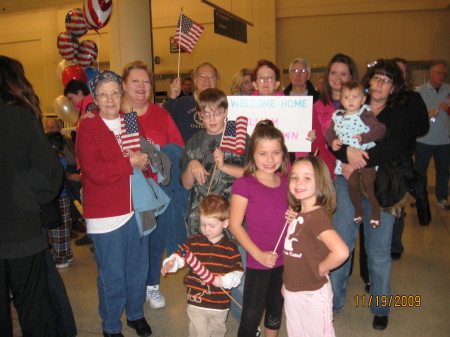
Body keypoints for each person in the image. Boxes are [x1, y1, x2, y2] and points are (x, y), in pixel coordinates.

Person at [329, 59, 428, 330]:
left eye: (387, 80)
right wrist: (345, 153)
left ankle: (381, 307)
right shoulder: (353, 106)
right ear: (369, 81)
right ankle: (333, 302)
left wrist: (356, 158)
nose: (380, 83)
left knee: (379, 251)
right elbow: (335, 140)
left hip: (381, 185)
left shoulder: (400, 112)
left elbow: (396, 147)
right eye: (377, 78)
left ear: (395, 87)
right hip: (346, 179)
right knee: (341, 245)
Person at [76, 70, 152, 337]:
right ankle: (110, 325)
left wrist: (148, 163)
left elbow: (144, 155)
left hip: (136, 208)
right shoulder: (88, 126)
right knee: (113, 275)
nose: (110, 100)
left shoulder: (129, 121)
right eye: (103, 94)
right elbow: (93, 170)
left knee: (137, 269)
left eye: (114, 93)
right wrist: (129, 163)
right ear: (95, 98)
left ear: (122, 95)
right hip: (106, 214)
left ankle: (135, 314)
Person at [0, 55, 62, 337]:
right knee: (33, 306)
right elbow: (50, 176)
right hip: (21, 231)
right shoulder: (22, 118)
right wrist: (29, 197)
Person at [121, 60, 185, 310]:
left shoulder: (161, 114)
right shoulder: (116, 116)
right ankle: (134, 291)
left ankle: (152, 286)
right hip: (129, 192)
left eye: (146, 81)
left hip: (159, 191)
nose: (142, 86)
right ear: (124, 85)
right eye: (135, 81)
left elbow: (177, 148)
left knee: (156, 241)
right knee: (135, 245)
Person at [229, 120, 292, 337]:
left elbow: (292, 219)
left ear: (283, 154)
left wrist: (295, 216)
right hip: (258, 261)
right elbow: (235, 225)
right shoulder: (245, 184)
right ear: (252, 155)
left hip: (283, 260)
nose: (270, 159)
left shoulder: (286, 183)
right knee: (251, 315)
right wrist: (258, 255)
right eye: (263, 153)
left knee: (275, 309)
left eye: (275, 153)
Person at [283, 156, 349, 337]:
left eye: (307, 178)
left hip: (313, 293)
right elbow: (295, 253)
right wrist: (286, 283)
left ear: (320, 183)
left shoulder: (317, 218)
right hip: (292, 288)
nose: (298, 183)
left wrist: (322, 267)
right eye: (294, 177)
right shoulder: (301, 214)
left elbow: (341, 251)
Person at [161, 194, 244, 337]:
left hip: (220, 304)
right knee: (199, 332)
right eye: (202, 224)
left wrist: (222, 281)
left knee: (218, 331)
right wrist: (171, 262)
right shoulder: (194, 241)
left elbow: (238, 273)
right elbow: (181, 256)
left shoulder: (231, 248)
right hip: (197, 301)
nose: (206, 229)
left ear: (225, 223)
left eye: (212, 225)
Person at [180, 88, 248, 237]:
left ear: (225, 112)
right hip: (201, 222)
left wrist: (224, 166)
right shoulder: (193, 142)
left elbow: (252, 175)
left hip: (233, 218)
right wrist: (192, 165)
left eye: (217, 113)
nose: (212, 119)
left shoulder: (240, 138)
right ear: (200, 115)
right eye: (206, 114)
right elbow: (186, 184)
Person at [325, 80, 386, 227]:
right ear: (341, 99)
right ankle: (358, 210)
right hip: (347, 161)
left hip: (365, 157)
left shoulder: (365, 114)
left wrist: (365, 137)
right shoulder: (337, 116)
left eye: (355, 97)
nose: (350, 101)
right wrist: (332, 141)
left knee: (368, 182)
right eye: (346, 97)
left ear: (363, 99)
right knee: (352, 184)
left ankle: (375, 209)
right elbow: (329, 133)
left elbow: (380, 129)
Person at [312, 53, 358, 177]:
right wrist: (333, 171)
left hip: (356, 167)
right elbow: (318, 145)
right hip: (328, 169)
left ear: (351, 77)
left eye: (343, 74)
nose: (337, 77)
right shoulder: (317, 107)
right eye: (333, 73)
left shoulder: (362, 107)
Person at [415, 61, 449, 210]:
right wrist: (426, 114)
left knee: (443, 171)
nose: (441, 76)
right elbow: (413, 115)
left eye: (443, 73)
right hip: (424, 139)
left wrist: (448, 109)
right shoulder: (420, 91)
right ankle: (419, 198)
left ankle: (442, 198)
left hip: (444, 139)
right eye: (438, 73)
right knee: (420, 171)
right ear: (431, 73)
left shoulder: (449, 89)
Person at [164, 62, 220, 142]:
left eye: (211, 76)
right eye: (202, 76)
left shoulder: (224, 104)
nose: (207, 80)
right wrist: (172, 98)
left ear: (217, 81)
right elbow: (164, 121)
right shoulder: (182, 103)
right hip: (187, 152)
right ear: (195, 80)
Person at [46, 131, 74, 269]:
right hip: (63, 198)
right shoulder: (62, 158)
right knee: (64, 228)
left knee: (57, 230)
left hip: (57, 198)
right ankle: (67, 254)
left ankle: (59, 257)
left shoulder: (53, 160)